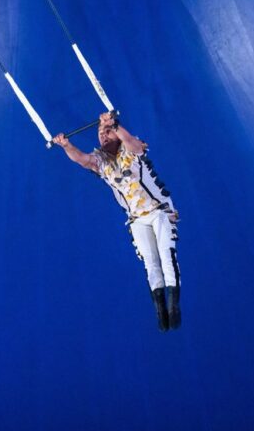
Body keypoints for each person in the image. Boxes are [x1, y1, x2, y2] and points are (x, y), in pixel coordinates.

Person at [53, 112, 181, 331]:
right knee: (150, 262)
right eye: (100, 134)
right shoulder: (103, 163)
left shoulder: (131, 150)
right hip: (137, 219)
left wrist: (116, 125)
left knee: (166, 255)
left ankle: (173, 306)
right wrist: (66, 145)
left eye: (106, 132)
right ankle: (160, 309)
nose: (102, 136)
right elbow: (82, 160)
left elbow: (131, 142)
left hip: (158, 210)